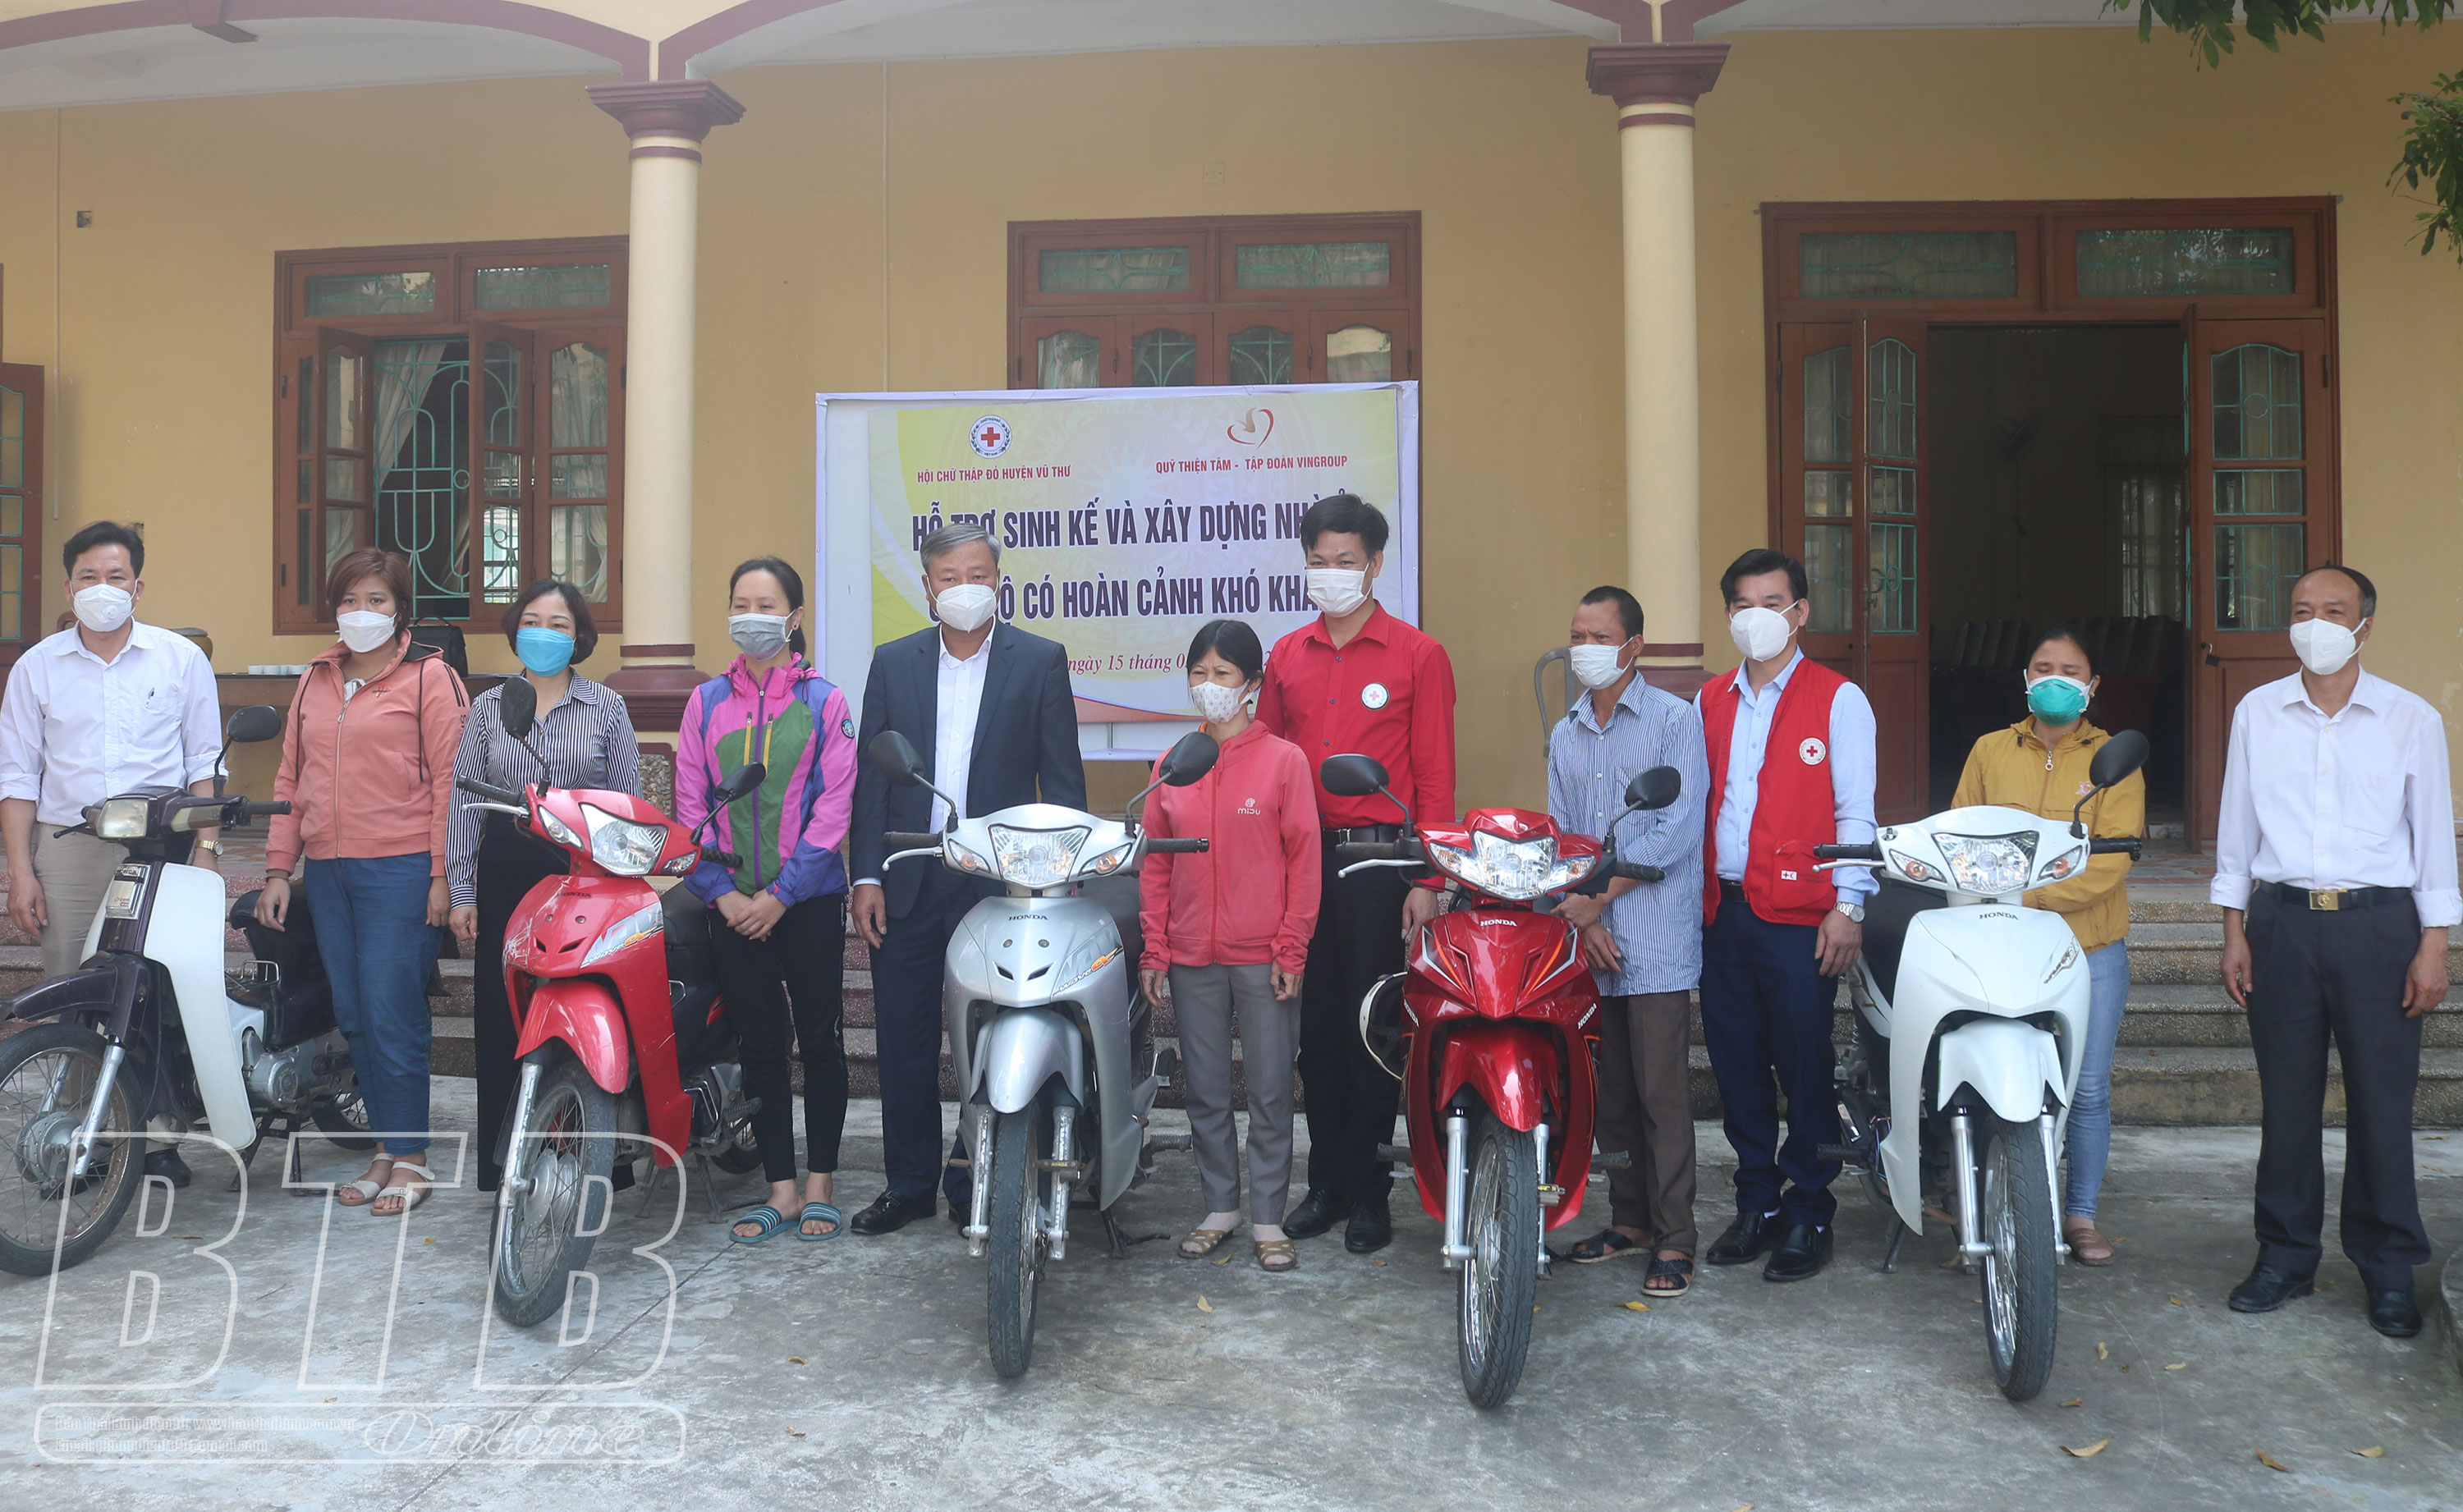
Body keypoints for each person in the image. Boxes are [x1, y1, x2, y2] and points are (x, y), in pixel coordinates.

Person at [2213, 564, 2454, 1340]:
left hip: (2379, 927)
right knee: (2286, 1103)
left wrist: (2434, 944)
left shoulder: (2410, 718)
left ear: (2364, 627)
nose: (2315, 624)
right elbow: (2236, 827)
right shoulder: (2257, 712)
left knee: (2382, 1105)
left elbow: (2433, 839)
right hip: (2282, 925)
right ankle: (2284, 1256)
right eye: (2302, 610)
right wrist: (2233, 930)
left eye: (2334, 611)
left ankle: (2389, 1270)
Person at [847, 521, 1085, 1235]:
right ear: (927, 588)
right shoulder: (894, 663)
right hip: (909, 878)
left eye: (978, 576)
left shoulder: (1039, 661)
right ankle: (909, 1184)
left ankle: (976, 1180)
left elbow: (1062, 780)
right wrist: (866, 877)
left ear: (998, 582)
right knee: (904, 1039)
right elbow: (871, 783)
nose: (964, 589)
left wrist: (1063, 878)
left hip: (1000, 884)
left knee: (992, 1038)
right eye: (949, 578)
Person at [1254, 493, 1456, 1256]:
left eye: (1346, 561)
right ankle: (1328, 1183)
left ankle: (1372, 1192)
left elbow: (1435, 776)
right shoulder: (1286, 655)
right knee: (1315, 1032)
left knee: (1372, 1031)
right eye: (1318, 561)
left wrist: (1428, 879)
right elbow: (1263, 763)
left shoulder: (1418, 654)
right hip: (1302, 863)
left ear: (1375, 565)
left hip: (1381, 863)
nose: (1331, 573)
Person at [0, 520, 226, 1187]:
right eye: (89, 577)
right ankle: (82, 1137)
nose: (103, 589)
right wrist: (20, 870)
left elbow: (204, 764)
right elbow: (17, 776)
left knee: (156, 987)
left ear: (139, 587)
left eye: (116, 577)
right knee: (75, 989)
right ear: (69, 587)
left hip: (162, 844)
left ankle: (155, 1140)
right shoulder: (37, 668)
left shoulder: (179, 660)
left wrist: (207, 850)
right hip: (69, 848)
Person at [256, 548, 466, 1216]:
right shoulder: (316, 677)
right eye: (350, 600)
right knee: (353, 1015)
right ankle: (386, 1149)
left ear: (400, 609)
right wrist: (279, 867)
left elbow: (452, 786)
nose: (362, 611)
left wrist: (445, 876)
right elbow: (290, 778)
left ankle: (413, 1159)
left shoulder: (431, 677)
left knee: (391, 1011)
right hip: (329, 872)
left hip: (402, 870)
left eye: (376, 600)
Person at [1692, 548, 1874, 1283]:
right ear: (1728, 615)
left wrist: (1849, 904)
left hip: (1802, 917)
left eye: (1772, 603)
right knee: (1736, 1067)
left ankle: (1808, 1211)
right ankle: (1756, 1204)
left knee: (1804, 1066)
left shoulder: (1838, 699)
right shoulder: (1709, 700)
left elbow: (1855, 811)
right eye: (1743, 604)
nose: (1756, 617)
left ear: (1800, 612)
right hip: (1723, 912)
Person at [672, 557, 860, 1244]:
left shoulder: (825, 702)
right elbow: (689, 808)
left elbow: (834, 809)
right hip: (731, 906)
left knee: (821, 1041)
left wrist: (781, 895)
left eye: (767, 605)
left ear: (794, 617)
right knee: (760, 1044)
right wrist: (722, 895)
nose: (752, 617)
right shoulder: (704, 703)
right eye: (741, 604)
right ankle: (780, 1189)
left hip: (805, 901)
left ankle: (821, 1185)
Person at [1949, 623, 2143, 1266]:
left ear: (2092, 685)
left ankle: (2080, 1215)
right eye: (2042, 668)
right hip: (1999, 947)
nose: (2054, 679)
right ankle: (1986, 1201)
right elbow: (1961, 838)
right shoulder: (1989, 750)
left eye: (2070, 670)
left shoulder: (2115, 758)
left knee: (2085, 1089)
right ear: (2025, 679)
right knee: (1987, 1074)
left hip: (2089, 949)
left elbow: (2110, 860)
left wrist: (2022, 894)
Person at [445, 580, 640, 1194]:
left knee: (588, 1010)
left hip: (585, 875)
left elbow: (628, 803)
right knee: (505, 1016)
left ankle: (590, 1157)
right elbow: (464, 804)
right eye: (532, 621)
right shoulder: (488, 708)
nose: (544, 633)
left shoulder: (607, 707)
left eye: (559, 624)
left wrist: (622, 883)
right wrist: (462, 891)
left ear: (579, 636)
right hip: (507, 872)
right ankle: (511, 1169)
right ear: (515, 632)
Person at [1138, 619, 1320, 1273]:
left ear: (1252, 684)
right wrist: (1155, 947)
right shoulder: (1174, 763)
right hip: (1192, 957)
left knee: (1270, 1091)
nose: (1209, 685)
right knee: (1207, 1091)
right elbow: (1156, 863)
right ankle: (1221, 1208)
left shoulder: (1284, 761)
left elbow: (1304, 860)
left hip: (1264, 956)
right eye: (1199, 673)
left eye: (1222, 674)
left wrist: (1292, 948)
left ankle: (1268, 1215)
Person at [1548, 586, 1708, 1298]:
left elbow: (1677, 829)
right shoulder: (1567, 733)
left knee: (1660, 1095)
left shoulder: (1675, 720)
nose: (1585, 648)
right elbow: (1562, 836)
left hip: (1655, 935)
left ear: (1634, 646)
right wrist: (1583, 919)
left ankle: (1675, 1237)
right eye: (1577, 635)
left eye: (1600, 636)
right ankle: (1630, 1221)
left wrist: (1600, 901)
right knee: (1609, 1093)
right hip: (1592, 936)